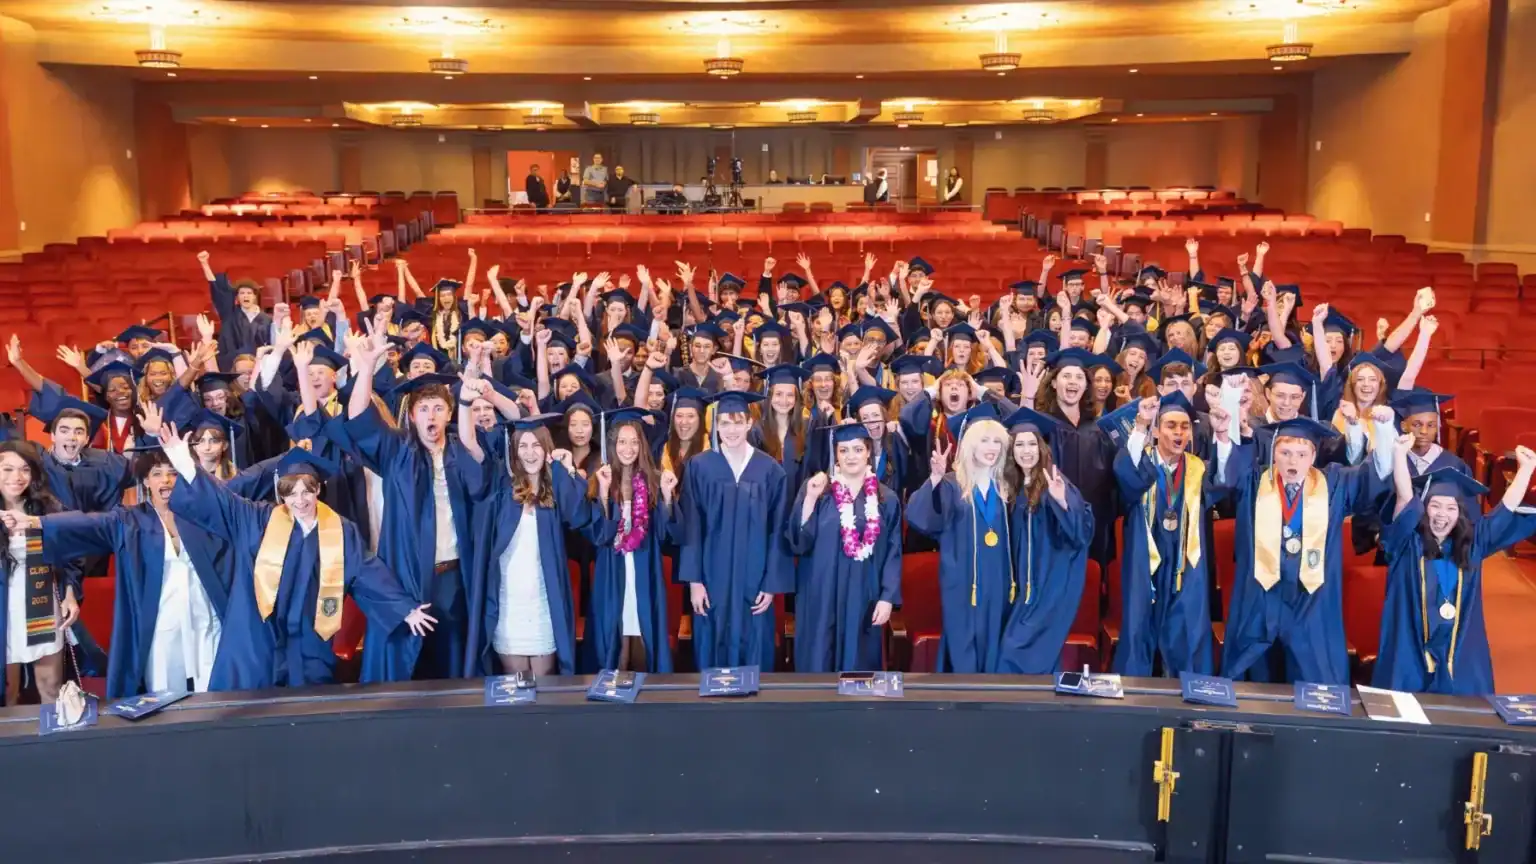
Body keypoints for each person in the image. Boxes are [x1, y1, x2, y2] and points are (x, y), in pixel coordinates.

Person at [159, 430, 433, 689]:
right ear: (281, 494)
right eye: (291, 493)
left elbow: (365, 571)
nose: (299, 501)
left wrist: (403, 608)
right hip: (260, 637)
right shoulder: (258, 519)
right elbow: (221, 501)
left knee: (305, 702)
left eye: (306, 492)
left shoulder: (340, 530)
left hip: (309, 641)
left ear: (318, 490)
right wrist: (182, 458)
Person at [34, 446, 232, 699]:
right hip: (161, 618)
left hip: (204, 615)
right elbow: (89, 523)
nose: (166, 480)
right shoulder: (131, 520)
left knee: (211, 683)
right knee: (164, 688)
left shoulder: (200, 517)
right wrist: (38, 522)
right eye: (157, 474)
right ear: (146, 481)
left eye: (173, 473)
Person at [1221, 409, 1398, 685]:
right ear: (1273, 454)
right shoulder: (1255, 481)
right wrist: (1230, 412)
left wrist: (1384, 432)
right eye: (1285, 453)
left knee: (1315, 676)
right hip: (1261, 595)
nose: (1293, 461)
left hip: (1311, 598)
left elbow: (1376, 476)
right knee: (1254, 679)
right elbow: (1225, 472)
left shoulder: (1334, 483)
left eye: (1302, 454)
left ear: (1314, 457)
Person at [344, 324, 479, 682]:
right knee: (408, 666)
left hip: (454, 578)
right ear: (412, 414)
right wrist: (367, 368)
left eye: (438, 408)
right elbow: (358, 419)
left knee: (453, 668)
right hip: (409, 576)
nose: (431, 416)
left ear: (449, 414)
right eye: (423, 409)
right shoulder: (397, 451)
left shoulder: (463, 453)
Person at [1375, 446, 1536, 695]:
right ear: (1423, 509)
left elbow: (1503, 512)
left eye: (1451, 508)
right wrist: (1398, 454)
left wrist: (1526, 470)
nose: (1442, 515)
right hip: (1411, 650)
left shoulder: (1472, 545)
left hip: (1458, 649)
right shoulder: (1406, 545)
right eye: (1435, 506)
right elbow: (1405, 499)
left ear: (1460, 513)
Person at [458, 410, 596, 677]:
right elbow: (470, 443)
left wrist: (567, 469)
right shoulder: (502, 491)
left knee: (545, 685)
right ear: (514, 451)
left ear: (547, 449)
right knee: (515, 687)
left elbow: (579, 515)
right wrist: (466, 401)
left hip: (544, 602)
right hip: (509, 604)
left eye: (536, 445)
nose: (530, 453)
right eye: (523, 445)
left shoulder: (555, 490)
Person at [1111, 392, 1232, 677]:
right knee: (1139, 622)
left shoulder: (1197, 468)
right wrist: (1140, 425)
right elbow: (1125, 472)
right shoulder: (1143, 462)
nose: (1179, 432)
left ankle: (1186, 686)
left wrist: (1223, 435)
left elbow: (1225, 479)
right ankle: (1134, 686)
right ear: (1156, 432)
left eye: (1184, 426)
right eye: (1171, 425)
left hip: (1185, 561)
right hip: (1146, 557)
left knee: (1187, 624)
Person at [677, 390, 792, 669]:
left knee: (754, 642)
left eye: (738, 422)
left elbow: (778, 530)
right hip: (711, 575)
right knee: (711, 638)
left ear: (749, 423)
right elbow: (691, 525)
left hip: (754, 577)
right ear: (715, 426)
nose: (731, 430)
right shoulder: (699, 466)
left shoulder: (770, 470)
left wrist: (771, 584)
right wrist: (694, 582)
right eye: (725, 423)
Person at [906, 406, 1014, 673]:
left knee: (995, 630)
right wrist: (934, 478)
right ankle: (961, 686)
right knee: (962, 634)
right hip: (961, 577)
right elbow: (922, 518)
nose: (991, 448)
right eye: (984, 440)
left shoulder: (1007, 486)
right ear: (970, 444)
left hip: (998, 577)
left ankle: (992, 684)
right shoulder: (952, 484)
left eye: (997, 441)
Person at [788, 423, 903, 673]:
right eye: (843, 450)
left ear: (868, 452)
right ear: (836, 455)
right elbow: (799, 542)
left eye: (858, 449)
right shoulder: (819, 491)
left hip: (864, 594)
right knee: (819, 655)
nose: (851, 456)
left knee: (858, 662)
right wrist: (809, 498)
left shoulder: (886, 499)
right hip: (820, 591)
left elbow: (893, 552)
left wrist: (887, 598)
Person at [582, 407, 678, 673]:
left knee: (644, 639)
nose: (628, 448)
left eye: (634, 442)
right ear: (613, 445)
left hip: (645, 568)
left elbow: (664, 535)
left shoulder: (653, 481)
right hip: (612, 570)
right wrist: (603, 494)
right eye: (622, 442)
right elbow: (600, 535)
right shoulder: (601, 480)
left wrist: (667, 497)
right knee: (616, 640)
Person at [998, 406, 1094, 674]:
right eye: (1019, 445)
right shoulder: (1013, 484)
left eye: (1032, 444)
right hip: (1023, 585)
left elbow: (1081, 532)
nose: (1026, 451)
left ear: (1042, 448)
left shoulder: (1055, 482)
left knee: (1014, 650)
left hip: (1050, 582)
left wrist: (1062, 502)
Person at [0, 441, 81, 705]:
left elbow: (73, 553)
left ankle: (54, 731)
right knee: (7, 690)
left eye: (25, 469)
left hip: (42, 601)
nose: (17, 477)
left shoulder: (46, 508)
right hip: (4, 607)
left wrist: (70, 594)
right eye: (7, 469)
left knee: (50, 685)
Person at [198, 250, 272, 364]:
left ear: (255, 296)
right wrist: (204, 264)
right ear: (237, 297)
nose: (245, 296)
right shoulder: (230, 313)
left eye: (249, 293)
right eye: (242, 293)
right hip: (232, 364)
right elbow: (218, 290)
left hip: (259, 364)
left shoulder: (266, 319)